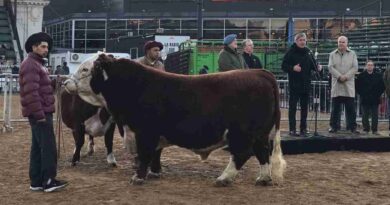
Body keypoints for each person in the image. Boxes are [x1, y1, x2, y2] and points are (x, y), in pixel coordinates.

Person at [19, 32, 68, 192]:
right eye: (43, 46)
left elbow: (42, 89)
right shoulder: (31, 65)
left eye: (47, 47)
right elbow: (31, 93)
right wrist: (40, 115)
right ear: (34, 47)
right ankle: (48, 181)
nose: (46, 49)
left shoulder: (36, 64)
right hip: (40, 113)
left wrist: (55, 83)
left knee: (37, 147)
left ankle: (36, 181)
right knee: (48, 148)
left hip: (39, 112)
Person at [281, 33, 322, 137]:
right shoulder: (291, 52)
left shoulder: (308, 52)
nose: (303, 42)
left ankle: (303, 129)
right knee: (293, 108)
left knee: (304, 108)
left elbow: (313, 66)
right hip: (294, 85)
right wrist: (293, 68)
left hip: (306, 85)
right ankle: (292, 130)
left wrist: (318, 68)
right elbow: (283, 65)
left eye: (304, 40)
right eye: (300, 40)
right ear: (296, 41)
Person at [328, 36, 359, 134]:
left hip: (348, 85)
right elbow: (330, 67)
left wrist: (346, 76)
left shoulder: (353, 54)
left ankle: (352, 127)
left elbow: (355, 67)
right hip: (337, 85)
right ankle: (334, 127)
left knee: (350, 109)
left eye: (343, 42)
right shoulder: (332, 54)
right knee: (335, 109)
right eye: (339, 42)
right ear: (337, 43)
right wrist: (339, 76)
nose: (341, 43)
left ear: (347, 43)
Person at [356, 60, 385, 134]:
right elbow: (357, 87)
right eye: (368, 65)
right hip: (365, 98)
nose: (370, 66)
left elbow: (382, 87)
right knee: (365, 115)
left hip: (375, 98)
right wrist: (362, 94)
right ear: (366, 66)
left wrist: (377, 94)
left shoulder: (378, 75)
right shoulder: (361, 75)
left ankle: (374, 130)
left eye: (371, 65)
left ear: (373, 66)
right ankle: (366, 129)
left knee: (375, 115)